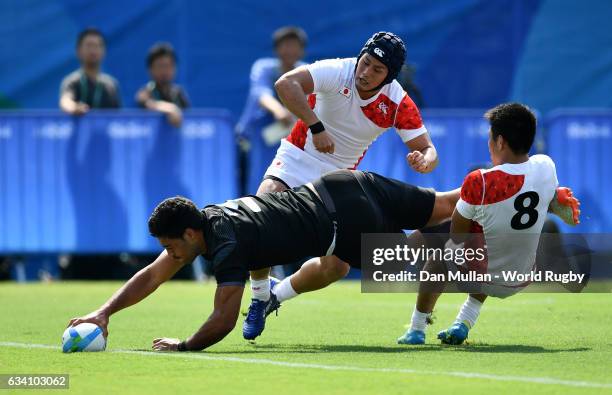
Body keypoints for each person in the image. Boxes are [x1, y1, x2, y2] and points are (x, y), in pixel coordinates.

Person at [67, 169, 459, 351]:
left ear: (189, 234)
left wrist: (184, 345)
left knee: (400, 263)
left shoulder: (225, 246)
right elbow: (153, 275)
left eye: (171, 248)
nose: (169, 258)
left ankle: (447, 241)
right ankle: (505, 177)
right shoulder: (211, 215)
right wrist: (104, 313)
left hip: (347, 224)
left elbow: (222, 323)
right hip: (343, 182)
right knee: (444, 203)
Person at [243, 31, 440, 340]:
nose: (366, 72)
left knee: (337, 267)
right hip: (297, 155)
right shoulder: (339, 69)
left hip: (338, 180)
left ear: (390, 77)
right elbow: (285, 85)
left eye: (377, 70)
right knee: (262, 211)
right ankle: (257, 298)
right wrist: (316, 127)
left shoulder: (397, 101)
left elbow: (428, 149)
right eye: (366, 62)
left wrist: (425, 160)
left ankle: (275, 296)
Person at [397, 103, 581, 345]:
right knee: (490, 241)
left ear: (501, 141)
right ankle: (464, 321)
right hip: (521, 276)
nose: (489, 143)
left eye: (490, 138)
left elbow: (458, 236)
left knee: (443, 247)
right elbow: (542, 195)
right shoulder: (546, 166)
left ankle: (417, 328)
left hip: (480, 274)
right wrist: (556, 200)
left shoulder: (480, 181)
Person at [236, 26, 308, 195]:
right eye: (285, 45)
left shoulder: (306, 71)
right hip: (252, 142)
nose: (289, 50)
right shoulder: (263, 67)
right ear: (276, 49)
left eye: (294, 45)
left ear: (302, 50)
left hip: (289, 143)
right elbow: (260, 94)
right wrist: (278, 111)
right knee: (252, 191)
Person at [59, 28, 121, 114]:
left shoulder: (111, 85)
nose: (93, 50)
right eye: (89, 45)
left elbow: (118, 117)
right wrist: (74, 108)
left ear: (104, 51)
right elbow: (65, 101)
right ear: (78, 51)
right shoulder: (72, 81)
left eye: (97, 46)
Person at [136, 42, 190, 127]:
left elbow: (188, 119)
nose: (165, 71)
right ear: (150, 69)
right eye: (160, 66)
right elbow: (148, 104)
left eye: (168, 66)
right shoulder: (145, 92)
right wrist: (170, 109)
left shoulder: (179, 93)